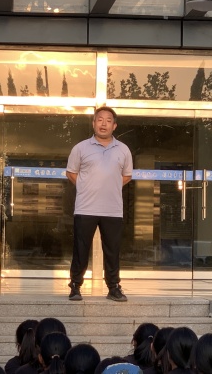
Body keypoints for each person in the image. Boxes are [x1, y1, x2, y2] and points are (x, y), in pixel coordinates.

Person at [66, 106, 133, 302]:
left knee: (112, 250)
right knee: (81, 248)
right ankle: (75, 286)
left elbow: (127, 176)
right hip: (86, 207)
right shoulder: (80, 148)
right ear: (94, 123)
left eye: (108, 120)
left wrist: (108, 187)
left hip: (112, 209)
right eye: (100, 120)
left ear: (114, 126)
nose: (104, 124)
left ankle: (113, 287)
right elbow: (71, 172)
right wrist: (86, 187)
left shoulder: (123, 150)